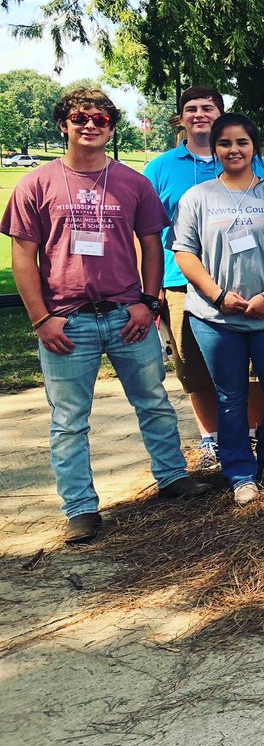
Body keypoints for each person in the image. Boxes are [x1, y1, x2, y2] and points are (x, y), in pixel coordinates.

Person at [2, 87, 208, 544]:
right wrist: (41, 319)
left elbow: (152, 247)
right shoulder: (36, 184)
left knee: (153, 401)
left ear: (112, 127)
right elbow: (23, 258)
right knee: (69, 420)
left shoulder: (133, 183)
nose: (90, 125)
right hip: (66, 321)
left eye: (100, 119)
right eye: (80, 118)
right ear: (64, 125)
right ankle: (80, 508)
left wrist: (148, 302)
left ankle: (173, 477)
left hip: (126, 315)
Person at [171, 114, 264, 505]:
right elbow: (185, 254)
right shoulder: (197, 198)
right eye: (225, 143)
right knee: (229, 396)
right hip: (215, 317)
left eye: (242, 142)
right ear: (215, 149)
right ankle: (239, 472)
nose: (233, 150)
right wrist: (218, 296)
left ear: (254, 148)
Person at [145, 86, 264, 470]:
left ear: (220, 114)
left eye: (208, 107)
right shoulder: (161, 168)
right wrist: (150, 289)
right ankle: (212, 439)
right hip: (180, 281)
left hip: (244, 279)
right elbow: (146, 232)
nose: (199, 114)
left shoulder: (250, 161)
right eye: (191, 108)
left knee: (250, 366)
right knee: (194, 366)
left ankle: (251, 434)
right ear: (181, 117)